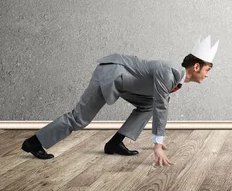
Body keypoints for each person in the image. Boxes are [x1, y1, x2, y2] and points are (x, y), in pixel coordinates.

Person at [21, 34, 219, 166]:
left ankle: (115, 143)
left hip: (126, 82)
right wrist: (157, 144)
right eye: (207, 70)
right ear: (196, 67)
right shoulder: (170, 72)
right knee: (79, 119)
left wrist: (159, 138)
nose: (207, 75)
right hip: (111, 74)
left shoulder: (175, 77)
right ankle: (34, 143)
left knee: (147, 104)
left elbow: (157, 103)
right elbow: (162, 106)